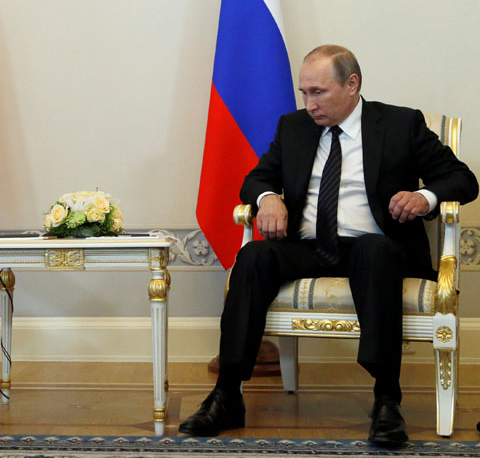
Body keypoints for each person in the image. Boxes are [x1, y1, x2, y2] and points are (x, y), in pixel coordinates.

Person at [179, 45, 478, 446]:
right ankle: (227, 393)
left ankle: (387, 397)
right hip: (309, 246)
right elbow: (255, 179)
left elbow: (462, 179)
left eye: (318, 92)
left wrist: (424, 198)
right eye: (304, 92)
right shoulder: (294, 127)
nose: (309, 103)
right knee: (252, 257)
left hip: (375, 247)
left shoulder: (400, 124)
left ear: (352, 84)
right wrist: (267, 197)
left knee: (374, 251)